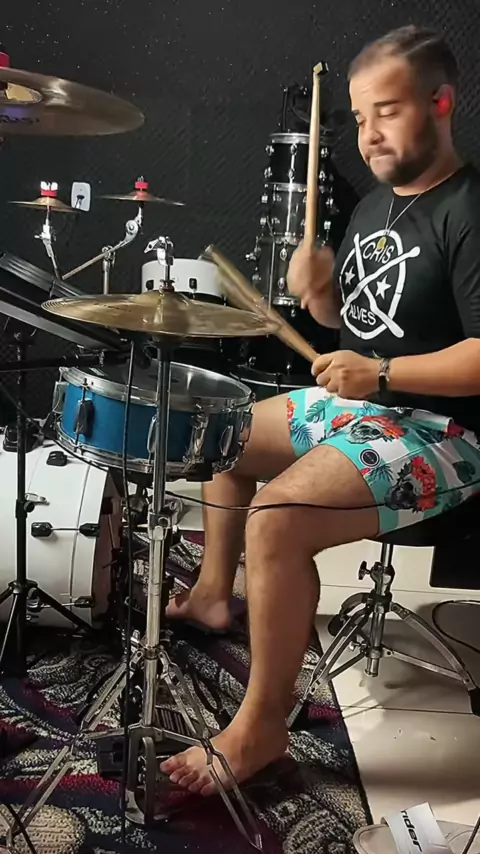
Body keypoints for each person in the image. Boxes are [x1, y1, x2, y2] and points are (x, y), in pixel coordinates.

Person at [161, 25, 480, 795]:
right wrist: (323, 298)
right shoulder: (373, 207)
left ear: (442, 103)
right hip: (366, 407)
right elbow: (363, 327)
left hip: (445, 433)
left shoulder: (470, 209)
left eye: (388, 111)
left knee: (276, 519)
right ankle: (213, 595)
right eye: (361, 117)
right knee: (224, 430)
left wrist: (383, 372)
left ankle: (262, 729)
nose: (370, 134)